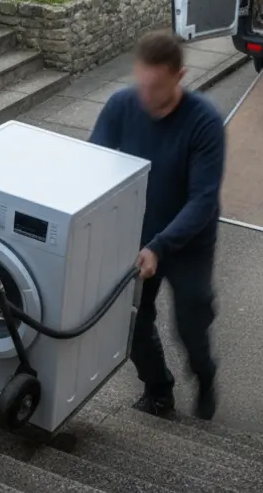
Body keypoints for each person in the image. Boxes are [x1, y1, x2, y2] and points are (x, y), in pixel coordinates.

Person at [89, 30, 226, 419]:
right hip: (136, 236)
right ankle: (158, 390)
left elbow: (203, 200)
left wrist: (160, 247)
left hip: (187, 242)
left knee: (191, 325)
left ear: (179, 77)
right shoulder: (121, 105)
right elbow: (91, 165)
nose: (146, 97)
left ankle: (205, 376)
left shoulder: (204, 122)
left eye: (157, 88)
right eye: (142, 85)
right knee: (131, 322)